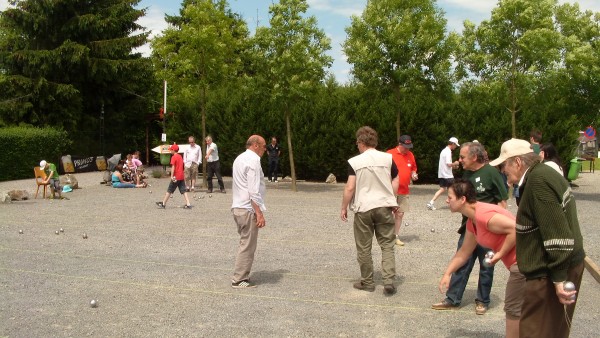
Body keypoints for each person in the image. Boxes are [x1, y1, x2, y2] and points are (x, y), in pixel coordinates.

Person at [490, 138, 585, 337]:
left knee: (536, 332)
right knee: (552, 331)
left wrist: (558, 279)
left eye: (504, 165)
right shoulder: (543, 173)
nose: (502, 170)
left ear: (517, 162)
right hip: (555, 269)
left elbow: (557, 233)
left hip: (549, 273)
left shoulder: (538, 181)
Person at [439, 179, 524, 338]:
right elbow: (464, 252)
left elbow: (515, 229)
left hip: (524, 264)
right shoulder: (473, 221)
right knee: (522, 312)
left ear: (462, 199)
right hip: (518, 265)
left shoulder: (483, 216)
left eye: (450, 197)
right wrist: (447, 273)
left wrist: (499, 254)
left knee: (513, 311)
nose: (447, 200)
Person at [432, 141, 508, 315]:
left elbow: (502, 202)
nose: (460, 159)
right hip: (469, 227)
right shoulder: (466, 173)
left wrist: (495, 226)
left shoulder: (491, 173)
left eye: (463, 156)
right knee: (462, 260)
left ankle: (483, 300)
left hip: (488, 228)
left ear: (474, 157)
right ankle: (452, 299)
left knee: (487, 264)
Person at [341, 126, 399, 295]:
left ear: (361, 142)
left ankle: (367, 282)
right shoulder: (388, 158)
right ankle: (388, 281)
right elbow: (396, 178)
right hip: (384, 206)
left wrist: (344, 206)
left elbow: (350, 187)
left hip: (363, 207)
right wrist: (392, 198)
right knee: (387, 245)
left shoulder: (355, 162)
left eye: (357, 143)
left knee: (364, 247)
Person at [230, 135, 268, 288]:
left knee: (245, 242)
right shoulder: (253, 160)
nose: (265, 150)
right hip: (247, 209)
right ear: (255, 145)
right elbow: (253, 190)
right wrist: (259, 212)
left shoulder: (239, 158)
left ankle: (241, 276)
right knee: (247, 245)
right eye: (264, 146)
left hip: (238, 207)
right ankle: (239, 279)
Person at [386, 135, 417, 246]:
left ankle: (395, 236)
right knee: (387, 213)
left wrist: (413, 174)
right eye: (405, 146)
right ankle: (386, 235)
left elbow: (413, 168)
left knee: (400, 214)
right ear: (399, 144)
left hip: (404, 190)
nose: (407, 149)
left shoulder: (410, 155)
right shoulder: (389, 154)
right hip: (391, 189)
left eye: (409, 146)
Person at [427, 137, 460, 210]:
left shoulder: (443, 151)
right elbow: (448, 164)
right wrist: (455, 163)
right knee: (453, 189)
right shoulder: (448, 152)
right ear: (453, 144)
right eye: (455, 145)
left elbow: (445, 164)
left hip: (442, 174)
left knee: (443, 189)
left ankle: (431, 202)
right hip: (448, 175)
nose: (456, 147)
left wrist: (453, 166)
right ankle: (453, 204)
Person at [156, 143, 192, 209]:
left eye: (171, 150)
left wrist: (171, 176)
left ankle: (163, 203)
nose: (170, 151)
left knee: (169, 190)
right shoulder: (180, 156)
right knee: (183, 190)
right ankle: (188, 203)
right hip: (181, 176)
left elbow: (173, 167)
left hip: (176, 176)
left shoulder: (173, 157)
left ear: (173, 150)